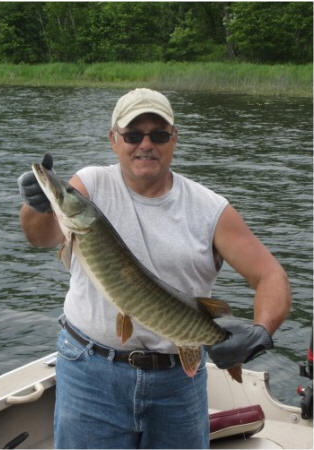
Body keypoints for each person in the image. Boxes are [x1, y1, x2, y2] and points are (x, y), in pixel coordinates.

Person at [18, 88, 291, 449]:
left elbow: (271, 276)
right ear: (113, 139)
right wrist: (38, 205)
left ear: (174, 139)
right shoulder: (91, 185)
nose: (145, 144)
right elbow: (41, 236)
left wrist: (260, 332)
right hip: (90, 371)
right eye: (133, 135)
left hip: (178, 381)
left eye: (158, 134)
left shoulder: (210, 209)